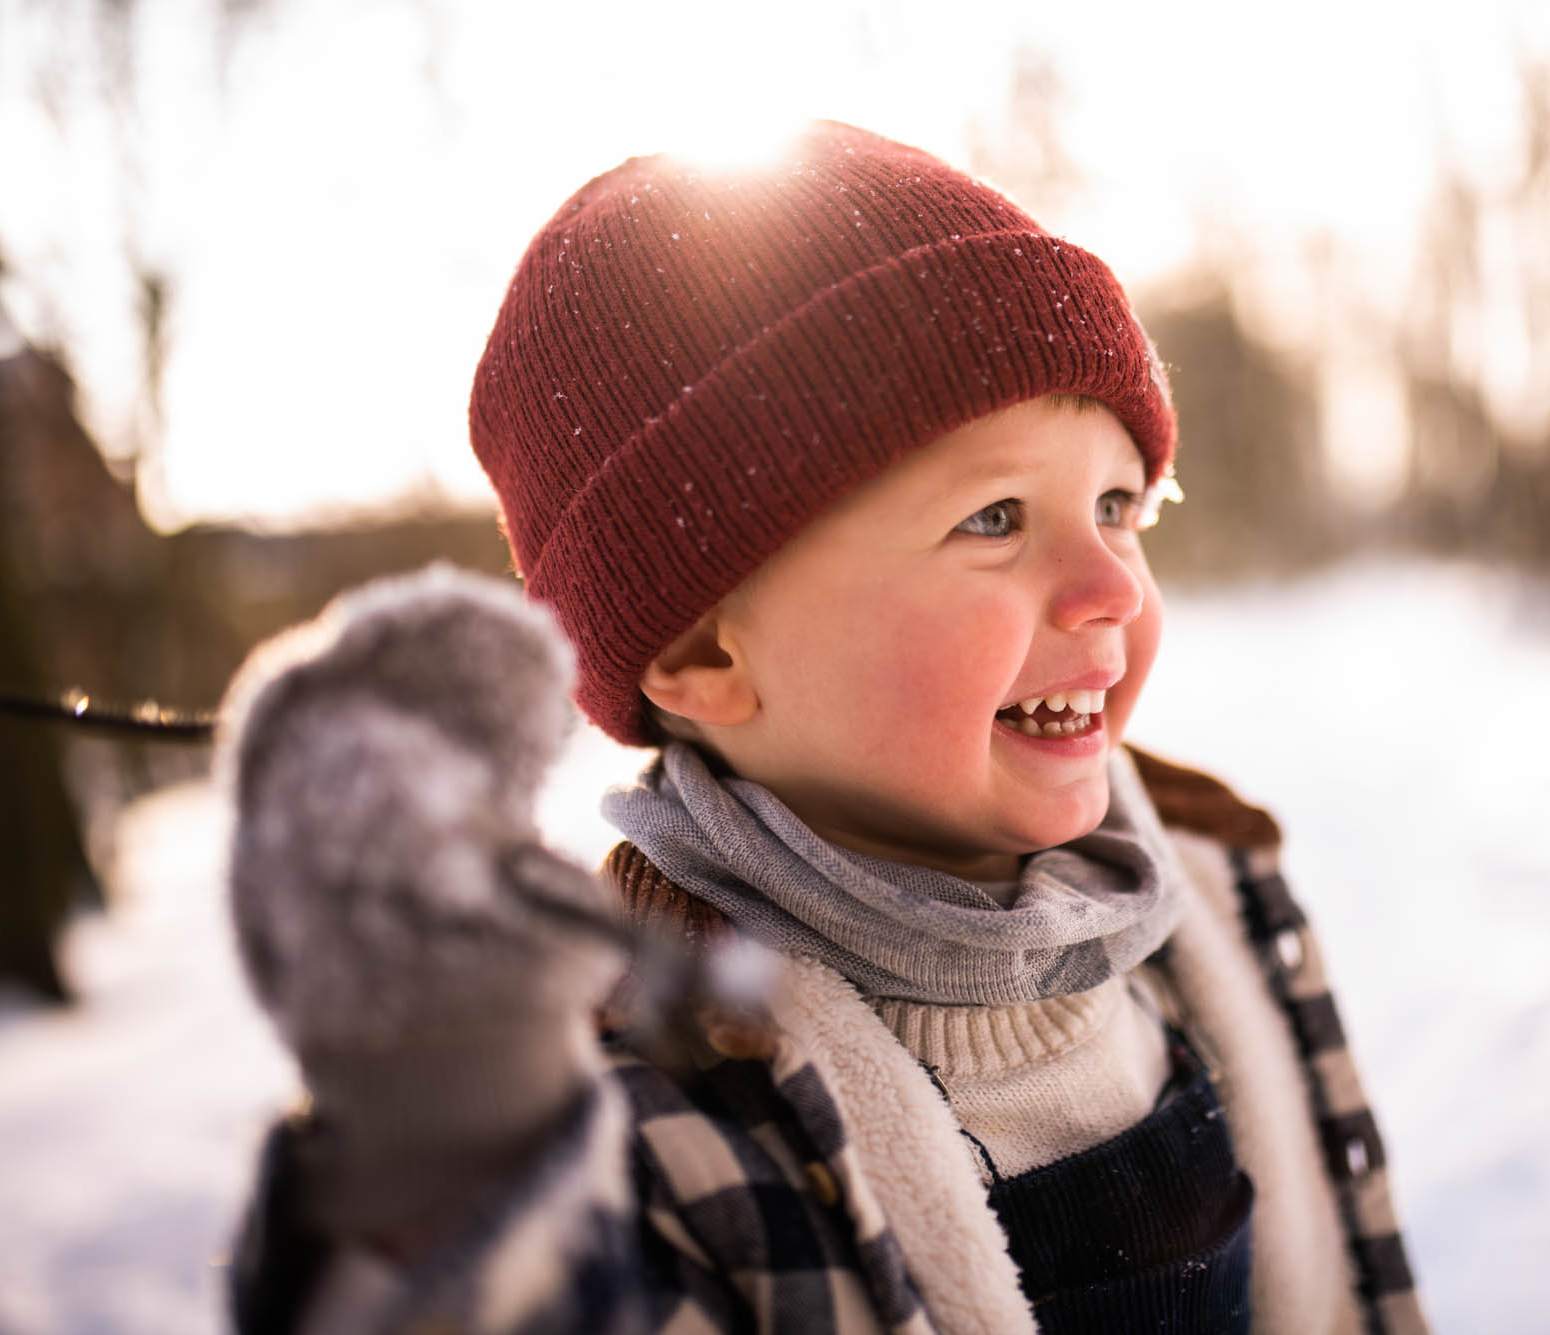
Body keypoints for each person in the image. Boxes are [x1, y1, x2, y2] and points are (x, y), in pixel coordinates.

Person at [221, 122, 1426, 1334]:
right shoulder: (641, 1113)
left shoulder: (1218, 906)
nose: (1110, 585)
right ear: (701, 652)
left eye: (1117, 504)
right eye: (995, 517)